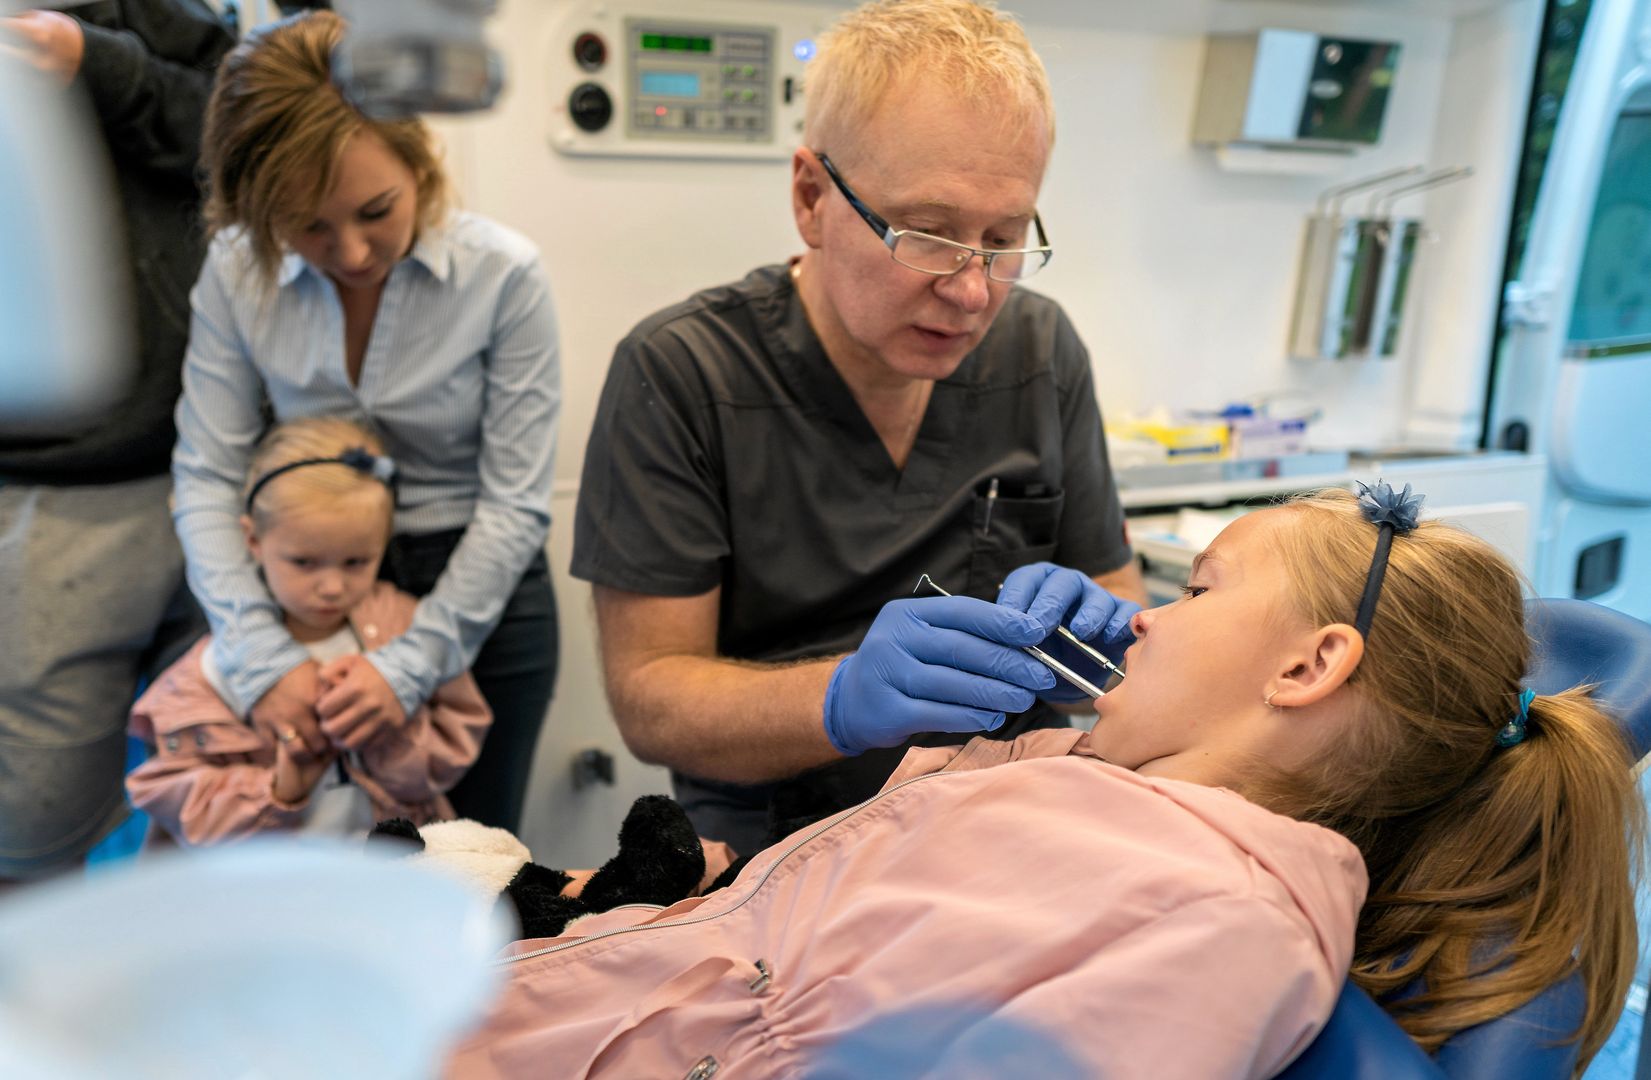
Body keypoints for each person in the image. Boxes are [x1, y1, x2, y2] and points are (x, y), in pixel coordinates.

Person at [448, 486, 1641, 1078]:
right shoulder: (1104, 786)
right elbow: (859, 887)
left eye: (1198, 591)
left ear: (1308, 664)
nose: (1139, 622)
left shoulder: (1226, 921)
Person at [571, 0, 1148, 854]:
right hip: (776, 834)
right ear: (811, 198)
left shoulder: (1040, 348)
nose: (971, 292)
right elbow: (650, 698)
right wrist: (840, 699)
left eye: (1003, 239)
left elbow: (1119, 591)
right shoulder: (683, 372)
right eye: (928, 235)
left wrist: (1118, 636)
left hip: (1015, 808)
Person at [172, 9, 561, 833]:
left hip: (475, 596)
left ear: (422, 160)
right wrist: (261, 659)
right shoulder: (237, 273)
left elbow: (514, 503)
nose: (351, 253)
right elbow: (206, 475)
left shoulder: (504, 277)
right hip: (302, 589)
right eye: (308, 226)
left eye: (376, 210)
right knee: (304, 870)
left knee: (480, 879)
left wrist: (414, 663)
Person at [0, 0, 233, 883]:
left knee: (223, 807)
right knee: (33, 828)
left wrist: (98, 63)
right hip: (43, 487)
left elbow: (237, 126)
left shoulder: (158, 15)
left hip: (206, 460)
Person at [128, 418, 491, 845]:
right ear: (253, 541)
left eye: (356, 561)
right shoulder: (212, 667)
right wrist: (280, 788)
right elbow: (176, 802)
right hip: (273, 893)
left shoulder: (406, 627)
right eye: (304, 562)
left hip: (391, 881)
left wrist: (385, 733)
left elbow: (456, 745)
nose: (333, 587)